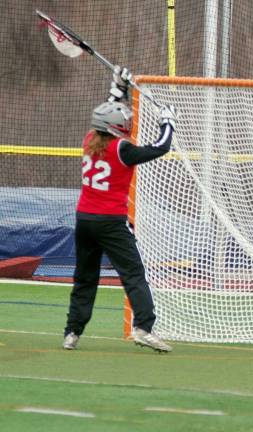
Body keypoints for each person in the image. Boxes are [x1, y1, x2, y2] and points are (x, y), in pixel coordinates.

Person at [63, 66, 176, 353]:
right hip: (110, 222)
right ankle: (143, 327)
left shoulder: (90, 139)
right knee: (134, 274)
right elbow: (159, 148)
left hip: (84, 219)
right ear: (117, 127)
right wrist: (168, 122)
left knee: (84, 277)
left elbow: (108, 110)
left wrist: (118, 85)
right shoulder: (122, 150)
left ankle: (72, 332)